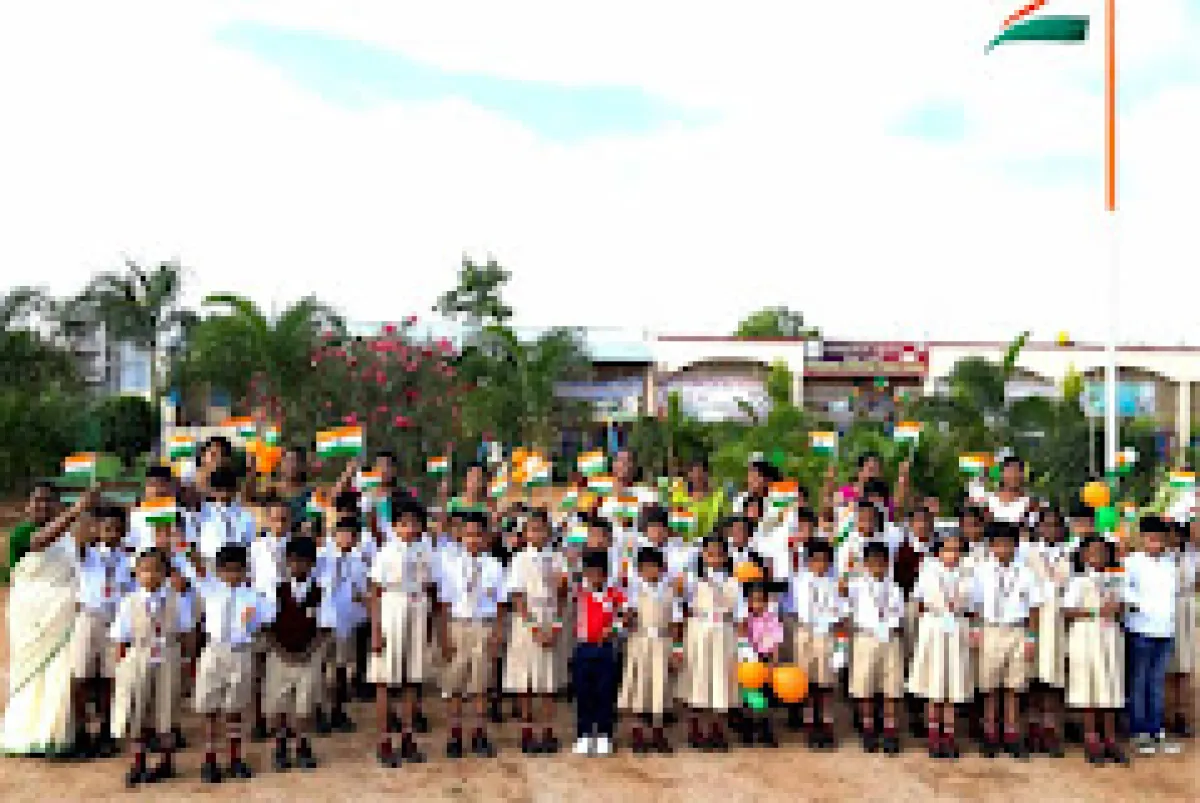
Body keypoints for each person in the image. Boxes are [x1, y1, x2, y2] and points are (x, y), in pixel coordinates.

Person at [190, 544, 274, 783]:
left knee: (235, 708)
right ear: (218, 571)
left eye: (238, 570)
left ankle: (235, 758)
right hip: (214, 650)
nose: (232, 575)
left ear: (246, 570)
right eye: (226, 570)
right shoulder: (209, 589)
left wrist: (255, 614)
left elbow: (264, 619)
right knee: (210, 708)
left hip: (240, 652)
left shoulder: (253, 596)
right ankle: (210, 759)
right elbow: (193, 564)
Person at [110, 547, 193, 786]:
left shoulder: (177, 601)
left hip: (168, 656)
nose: (150, 575)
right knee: (138, 712)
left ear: (165, 573)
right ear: (136, 573)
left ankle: (166, 762)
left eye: (156, 570)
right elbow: (120, 638)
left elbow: (186, 632)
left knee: (166, 712)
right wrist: (121, 667)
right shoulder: (129, 602)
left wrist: (187, 661)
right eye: (144, 570)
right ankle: (139, 763)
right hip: (139, 655)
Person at [368, 497, 437, 767]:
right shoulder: (386, 552)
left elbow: (431, 586)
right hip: (392, 610)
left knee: (412, 680)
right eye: (403, 524)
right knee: (385, 680)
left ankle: (408, 737)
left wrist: (429, 625)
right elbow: (374, 592)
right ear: (394, 526)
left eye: (414, 523)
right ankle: (384, 741)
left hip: (417, 610)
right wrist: (376, 630)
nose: (409, 529)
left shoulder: (426, 550)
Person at [436, 510, 505, 758]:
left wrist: (498, 633)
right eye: (468, 534)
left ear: (486, 538)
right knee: (454, 684)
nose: (473, 539)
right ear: (461, 537)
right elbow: (443, 603)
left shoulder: (495, 565)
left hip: (483, 627)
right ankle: (454, 734)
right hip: (458, 625)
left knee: (481, 685)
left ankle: (479, 733)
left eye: (478, 535)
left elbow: (500, 603)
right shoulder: (451, 564)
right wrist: (443, 635)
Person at [970, 521, 1042, 759]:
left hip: (1017, 631)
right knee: (990, 686)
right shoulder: (981, 571)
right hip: (990, 629)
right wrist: (975, 630)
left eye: (1008, 544)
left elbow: (1034, 608)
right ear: (991, 546)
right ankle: (990, 733)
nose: (1003, 548)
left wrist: (1031, 638)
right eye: (998, 544)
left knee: (1014, 686)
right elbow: (976, 605)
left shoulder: (1026, 573)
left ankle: (1011, 734)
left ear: (1016, 545)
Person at [69, 504, 131, 760]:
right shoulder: (87, 553)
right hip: (89, 617)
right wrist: (85, 508)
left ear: (123, 531)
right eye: (106, 528)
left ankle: (105, 731)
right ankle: (82, 731)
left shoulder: (129, 559)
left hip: (115, 619)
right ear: (97, 529)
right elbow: (80, 537)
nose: (111, 533)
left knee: (109, 678)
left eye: (117, 528)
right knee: (81, 675)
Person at [261, 537, 326, 772]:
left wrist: (308, 652)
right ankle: (280, 744)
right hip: (280, 654)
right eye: (294, 560)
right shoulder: (277, 591)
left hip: (308, 655)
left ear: (312, 564)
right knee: (279, 702)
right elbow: (266, 626)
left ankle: (302, 744)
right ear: (287, 562)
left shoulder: (320, 592)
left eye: (304, 561)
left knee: (304, 703)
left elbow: (325, 627)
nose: (298, 565)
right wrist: (281, 652)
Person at [504, 509, 565, 754]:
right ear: (525, 533)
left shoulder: (557, 558)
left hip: (550, 617)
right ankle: (527, 730)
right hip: (527, 620)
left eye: (541, 529)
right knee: (526, 678)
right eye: (532, 529)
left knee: (548, 679)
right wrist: (533, 627)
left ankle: (548, 730)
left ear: (548, 532)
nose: (537, 534)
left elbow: (562, 594)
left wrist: (557, 625)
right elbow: (518, 596)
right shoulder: (519, 559)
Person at [1063, 535, 1128, 765]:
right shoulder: (1078, 581)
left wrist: (1118, 608)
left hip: (1109, 634)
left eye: (1102, 552)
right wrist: (1095, 612)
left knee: (1110, 683)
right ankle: (1091, 736)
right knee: (1088, 684)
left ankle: (1110, 737)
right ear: (1083, 556)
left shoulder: (1115, 578)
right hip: (1085, 634)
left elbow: (1122, 606)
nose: (1097, 557)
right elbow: (1068, 611)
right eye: (1092, 552)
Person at [908, 532, 973, 759]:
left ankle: (949, 734)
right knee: (934, 683)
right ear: (938, 552)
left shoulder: (967, 573)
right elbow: (919, 603)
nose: (952, 554)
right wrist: (942, 606)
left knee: (952, 683)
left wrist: (957, 605)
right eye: (947, 549)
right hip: (934, 629)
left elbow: (971, 603)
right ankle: (933, 735)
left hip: (956, 629)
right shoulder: (928, 572)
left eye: (956, 550)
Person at [1123, 516, 1181, 756]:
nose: (1155, 543)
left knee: (1156, 683)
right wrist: (1141, 606)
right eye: (1151, 538)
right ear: (1142, 539)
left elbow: (1172, 594)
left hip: (1165, 630)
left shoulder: (1170, 563)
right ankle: (1139, 732)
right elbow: (1124, 589)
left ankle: (1156, 730)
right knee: (1139, 682)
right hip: (1141, 629)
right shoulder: (1132, 562)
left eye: (1160, 538)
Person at [617, 546, 683, 754]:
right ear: (638, 570)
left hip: (662, 643)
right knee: (640, 685)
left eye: (654, 567)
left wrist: (677, 649)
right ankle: (637, 732)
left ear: (662, 569)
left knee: (660, 686)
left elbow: (676, 624)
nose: (650, 571)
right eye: (645, 568)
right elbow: (627, 618)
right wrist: (626, 618)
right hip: (640, 641)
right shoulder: (634, 592)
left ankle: (657, 731)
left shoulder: (670, 593)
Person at [680, 534, 742, 751]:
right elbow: (682, 607)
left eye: (719, 554)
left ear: (726, 556)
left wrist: (742, 645)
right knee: (698, 677)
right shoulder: (692, 580)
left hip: (724, 633)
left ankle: (717, 727)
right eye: (709, 553)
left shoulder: (733, 582)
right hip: (699, 631)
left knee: (720, 678)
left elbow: (739, 614)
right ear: (702, 554)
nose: (714, 558)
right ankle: (695, 726)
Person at [847, 541, 906, 754]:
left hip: (889, 638)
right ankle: (868, 729)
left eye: (882, 562)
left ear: (887, 563)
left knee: (891, 686)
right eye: (872, 562)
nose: (877, 566)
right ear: (865, 564)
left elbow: (899, 615)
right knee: (866, 687)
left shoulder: (895, 588)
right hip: (866, 637)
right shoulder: (857, 586)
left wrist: (890, 625)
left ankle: (890, 731)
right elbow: (845, 602)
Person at [317, 516, 370, 734]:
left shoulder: (358, 564)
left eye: (351, 535)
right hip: (321, 620)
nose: (346, 538)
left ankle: (337, 711)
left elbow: (361, 593)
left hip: (344, 621)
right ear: (334, 535)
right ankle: (318, 711)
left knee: (340, 668)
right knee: (319, 667)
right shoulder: (322, 558)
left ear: (357, 539)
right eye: (342, 533)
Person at [571, 549, 626, 757]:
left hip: (605, 649)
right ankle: (584, 734)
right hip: (583, 648)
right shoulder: (579, 592)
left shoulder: (614, 594)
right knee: (583, 692)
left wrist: (613, 629)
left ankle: (604, 734)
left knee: (605, 693)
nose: (594, 577)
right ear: (585, 573)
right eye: (590, 572)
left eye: (598, 573)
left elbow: (626, 616)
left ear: (605, 574)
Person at [789, 539, 843, 748]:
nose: (820, 564)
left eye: (825, 560)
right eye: (815, 560)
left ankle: (827, 724)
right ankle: (810, 725)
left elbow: (839, 612)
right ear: (808, 561)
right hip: (805, 633)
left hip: (826, 634)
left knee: (826, 683)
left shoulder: (833, 584)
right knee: (808, 683)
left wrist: (840, 645)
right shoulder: (799, 581)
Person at [1025, 508, 1070, 757]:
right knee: (1034, 675)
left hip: (1059, 620)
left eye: (1055, 525)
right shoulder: (1028, 553)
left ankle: (1050, 727)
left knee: (1053, 675)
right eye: (1046, 525)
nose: (1051, 530)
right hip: (1036, 618)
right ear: (1038, 528)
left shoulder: (1069, 554)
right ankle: (1032, 726)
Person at [739, 579, 785, 748]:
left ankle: (766, 730)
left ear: (767, 602)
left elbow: (775, 643)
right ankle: (748, 729)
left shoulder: (772, 619)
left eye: (761, 600)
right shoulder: (745, 620)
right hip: (749, 663)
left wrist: (774, 662)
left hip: (766, 661)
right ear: (747, 601)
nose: (757, 604)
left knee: (765, 698)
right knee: (750, 697)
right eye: (753, 600)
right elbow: (741, 640)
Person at [1166, 518, 1197, 738]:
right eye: (1170, 535)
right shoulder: (1160, 559)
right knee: (1167, 667)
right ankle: (1166, 715)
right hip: (1166, 610)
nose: (1174, 539)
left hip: (1186, 609)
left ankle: (1183, 715)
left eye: (1177, 534)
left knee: (1184, 667)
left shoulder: (1192, 557)